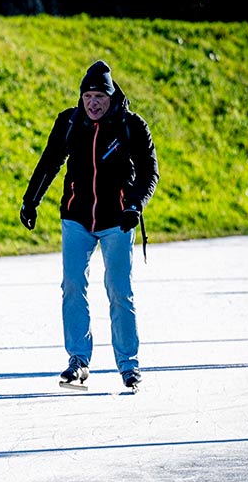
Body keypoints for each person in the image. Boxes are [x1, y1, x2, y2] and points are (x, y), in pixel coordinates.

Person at [20, 60, 159, 390]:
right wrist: (31, 200)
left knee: (119, 291)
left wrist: (135, 207)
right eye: (88, 96)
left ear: (111, 98)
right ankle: (78, 361)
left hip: (117, 220)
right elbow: (50, 162)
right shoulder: (70, 122)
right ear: (81, 98)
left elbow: (150, 172)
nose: (93, 103)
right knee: (72, 287)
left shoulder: (131, 126)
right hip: (76, 217)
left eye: (100, 96)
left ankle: (129, 365)